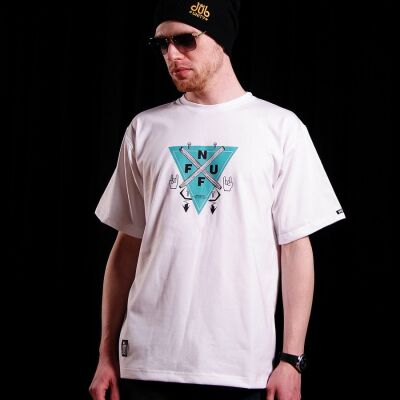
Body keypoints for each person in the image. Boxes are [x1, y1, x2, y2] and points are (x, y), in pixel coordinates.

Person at [89, 1, 345, 399]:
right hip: (146, 364)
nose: (172, 54)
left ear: (221, 39)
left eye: (185, 40)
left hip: (241, 368)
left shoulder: (280, 128)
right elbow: (127, 244)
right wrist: (106, 354)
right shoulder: (145, 128)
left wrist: (292, 359)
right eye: (162, 44)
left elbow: (295, 247)